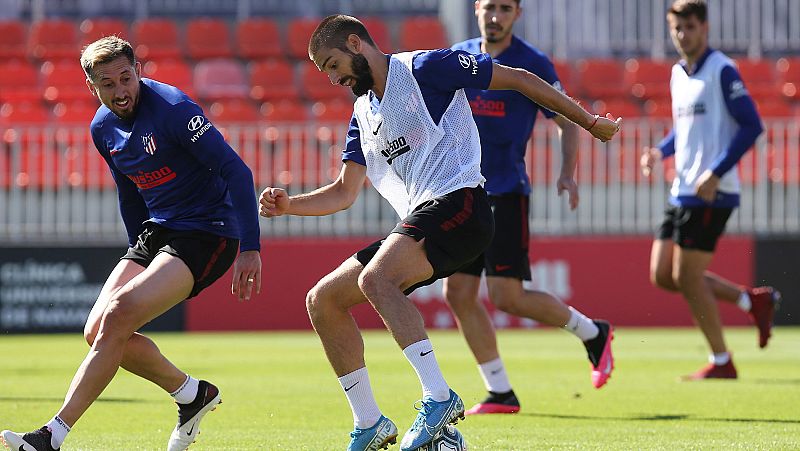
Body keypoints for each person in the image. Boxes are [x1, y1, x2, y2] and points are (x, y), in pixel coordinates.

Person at [259, 15, 620, 451]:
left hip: (462, 201)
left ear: (356, 43)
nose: (332, 78)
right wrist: (289, 205)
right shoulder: (362, 113)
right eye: (325, 71)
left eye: (333, 64)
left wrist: (589, 122)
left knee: (377, 279)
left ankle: (439, 397)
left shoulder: (425, 68)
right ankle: (370, 422)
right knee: (323, 300)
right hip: (426, 216)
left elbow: (521, 79)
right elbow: (343, 192)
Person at [1, 36, 262, 451]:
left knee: (119, 314)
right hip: (157, 231)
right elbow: (129, 193)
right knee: (97, 331)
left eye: (127, 78)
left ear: (138, 71)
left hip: (208, 231)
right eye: (108, 84)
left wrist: (251, 247)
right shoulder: (101, 128)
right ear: (92, 88)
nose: (121, 91)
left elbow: (237, 171)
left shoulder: (175, 110)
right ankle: (192, 394)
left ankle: (53, 435)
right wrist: (138, 255)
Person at [447, 0, 616, 416]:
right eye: (489, 7)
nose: (495, 15)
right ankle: (499, 390)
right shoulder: (458, 56)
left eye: (505, 8)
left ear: (516, 15)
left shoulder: (532, 62)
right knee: (458, 292)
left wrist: (567, 173)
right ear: (476, 9)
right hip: (460, 193)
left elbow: (565, 118)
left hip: (505, 193)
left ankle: (593, 332)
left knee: (508, 297)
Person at [640, 0, 780, 380]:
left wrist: (717, 172)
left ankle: (722, 361)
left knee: (687, 278)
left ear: (705, 28)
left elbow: (751, 126)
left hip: (711, 193)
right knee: (662, 275)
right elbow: (682, 129)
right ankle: (750, 300)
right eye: (676, 28)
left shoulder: (722, 70)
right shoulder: (677, 73)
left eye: (689, 26)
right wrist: (660, 151)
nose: (682, 34)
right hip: (680, 189)